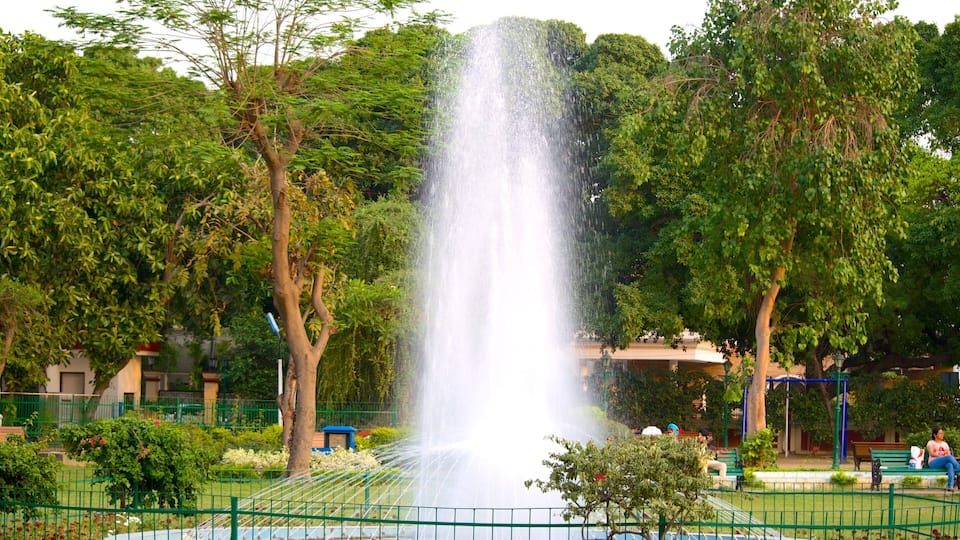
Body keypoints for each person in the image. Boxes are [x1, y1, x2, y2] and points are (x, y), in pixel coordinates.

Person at [926, 425, 960, 492]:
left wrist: (955, 458)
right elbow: (932, 453)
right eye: (940, 433)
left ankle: (950, 486)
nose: (942, 435)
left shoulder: (945, 444)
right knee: (949, 458)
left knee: (950, 464)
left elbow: (948, 455)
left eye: (942, 433)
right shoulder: (931, 442)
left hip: (944, 462)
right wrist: (943, 456)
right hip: (933, 462)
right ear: (935, 435)